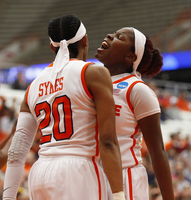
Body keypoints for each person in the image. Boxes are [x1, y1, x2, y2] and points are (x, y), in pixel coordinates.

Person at [3, 14, 125, 200]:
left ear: (52, 46)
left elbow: (17, 151)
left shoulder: (33, 86)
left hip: (40, 173)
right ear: (85, 40)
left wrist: (9, 197)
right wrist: (119, 195)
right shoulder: (93, 73)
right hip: (78, 171)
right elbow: (108, 141)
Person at [95, 27, 174, 199]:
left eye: (119, 37)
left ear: (130, 57)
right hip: (93, 175)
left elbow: (157, 150)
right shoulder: (92, 82)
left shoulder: (137, 89)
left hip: (125, 177)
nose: (109, 35)